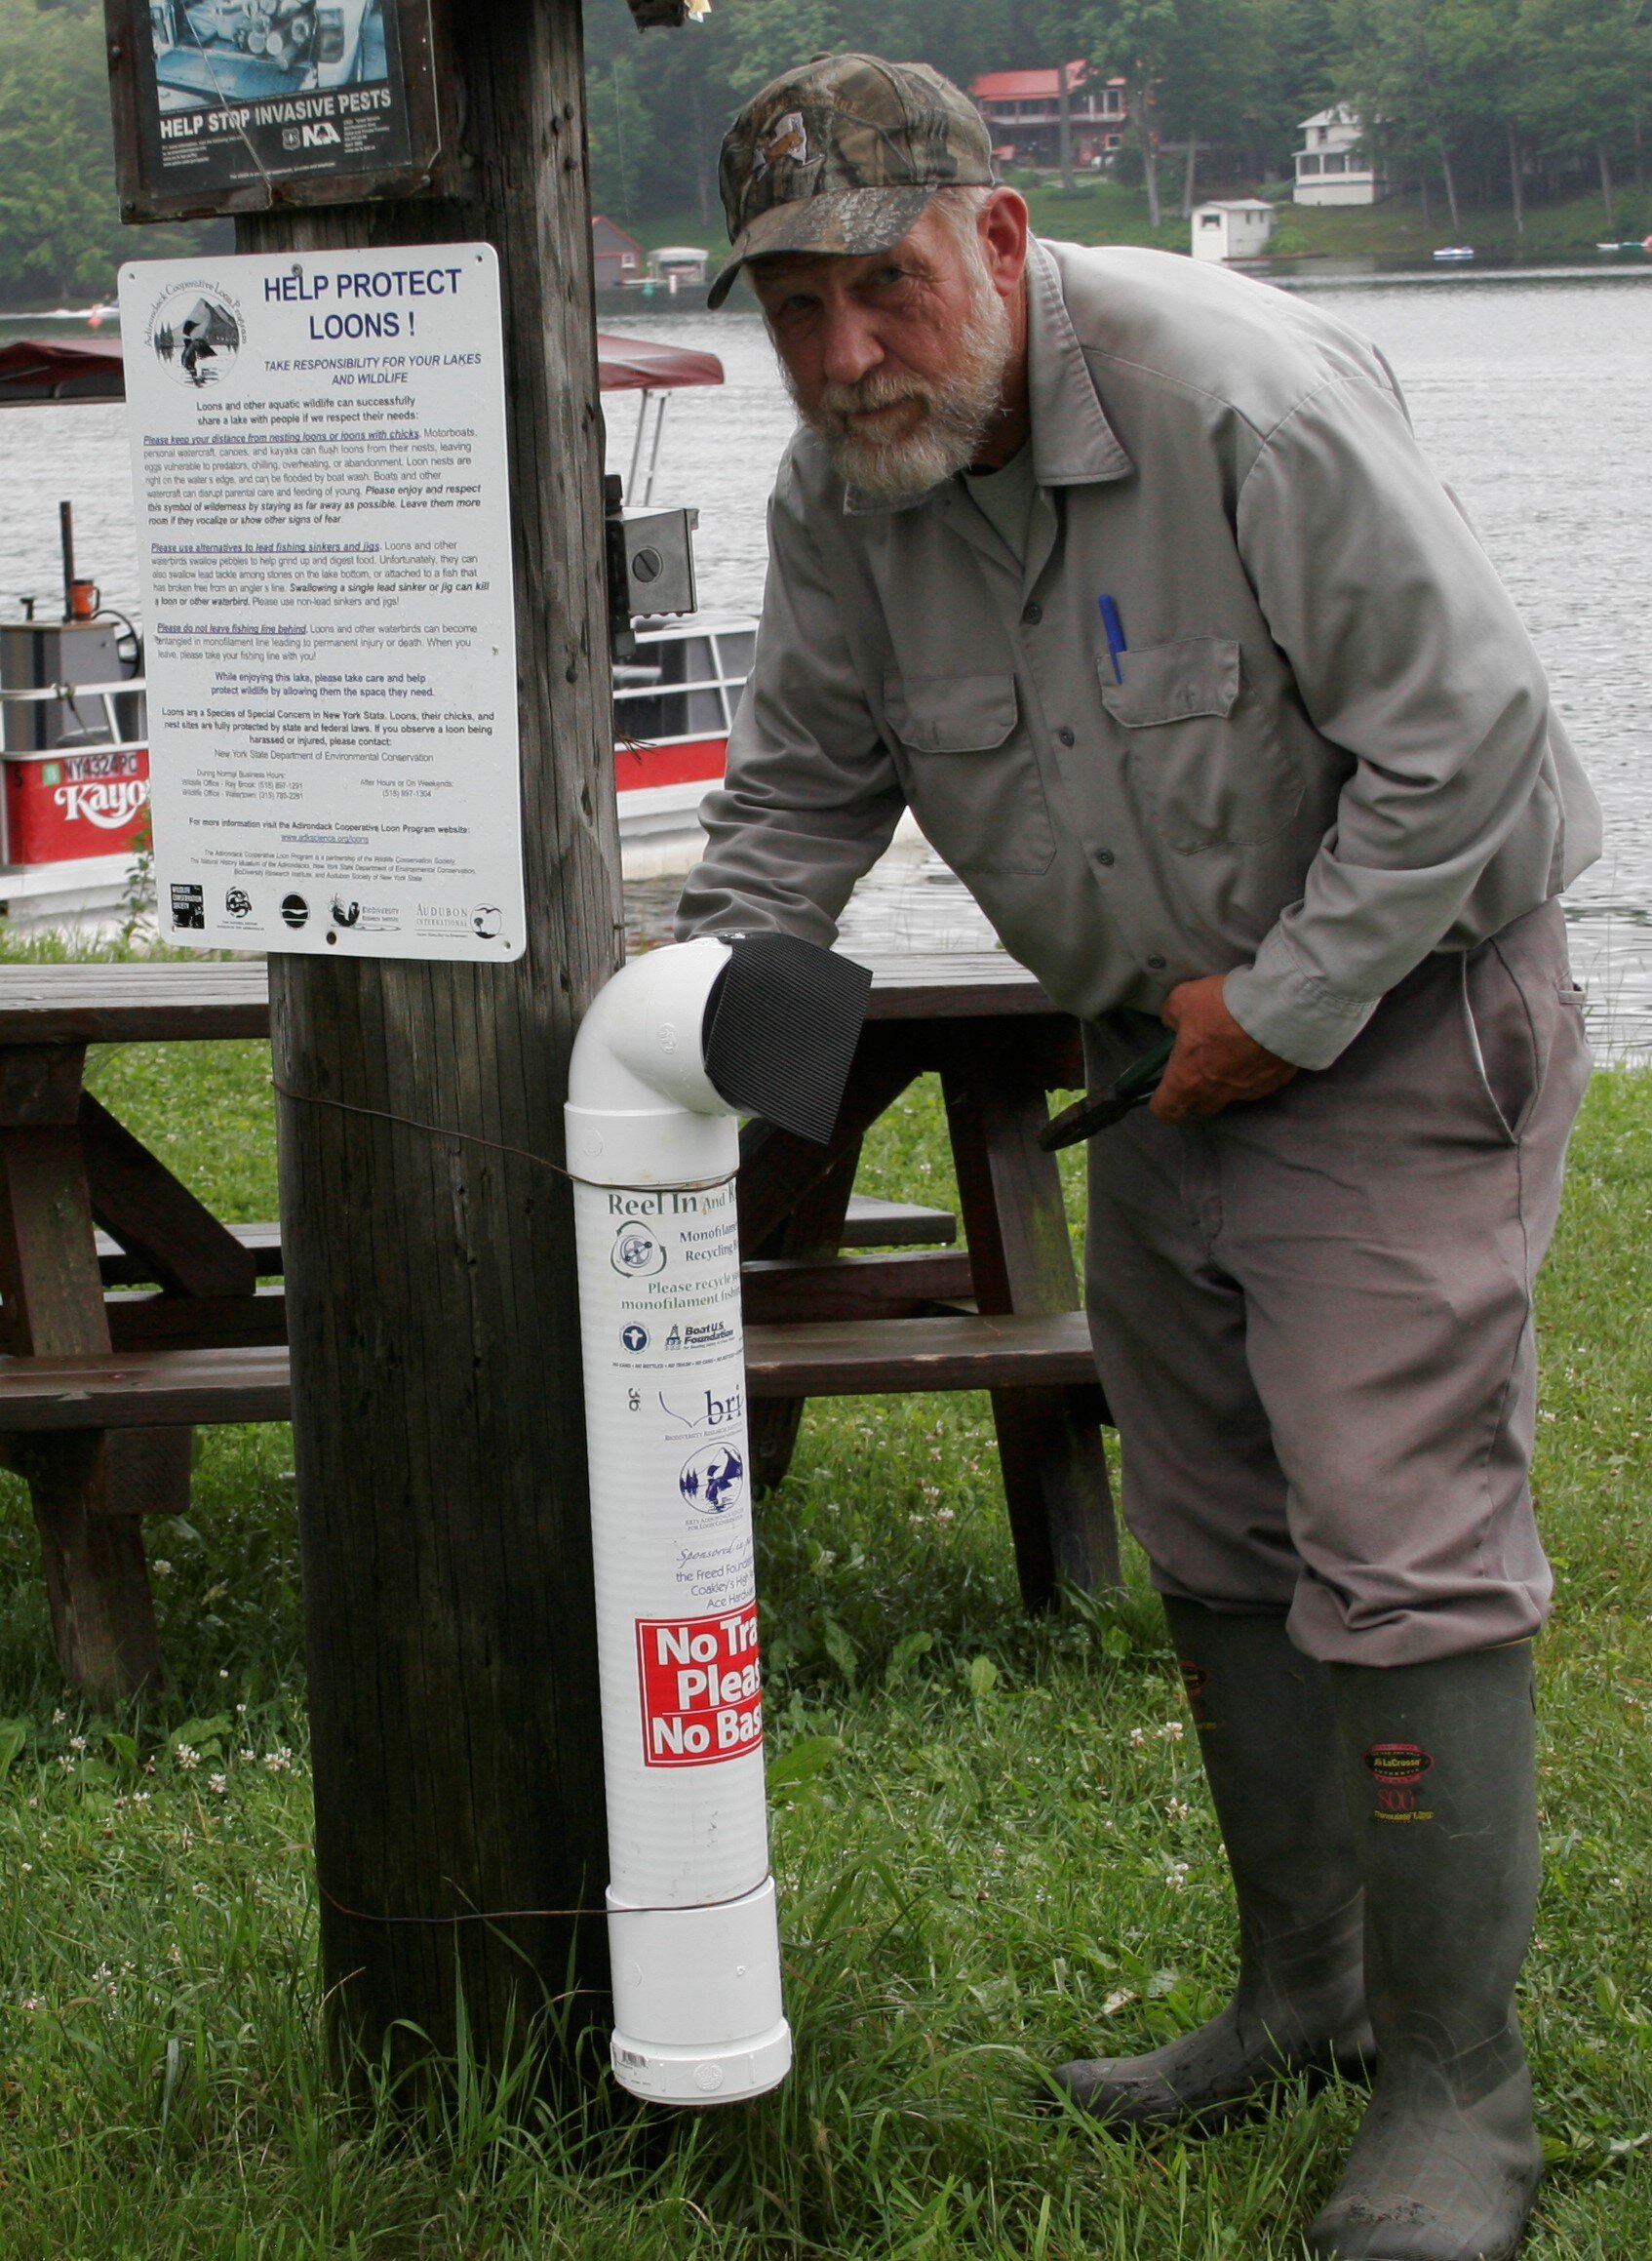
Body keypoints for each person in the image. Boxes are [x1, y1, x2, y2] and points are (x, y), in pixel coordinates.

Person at [677, 51, 1600, 2261]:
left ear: (995, 238)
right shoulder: (841, 487)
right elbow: (800, 793)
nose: (840, 353)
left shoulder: (1240, 392)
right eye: (790, 311)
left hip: (1391, 1009)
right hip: (1150, 1049)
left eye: (877, 288)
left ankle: (1460, 2095)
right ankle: (1299, 1995)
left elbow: (1468, 743)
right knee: (1209, 1524)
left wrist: (1271, 1012)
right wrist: (697, 1039)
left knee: (1393, 1531)